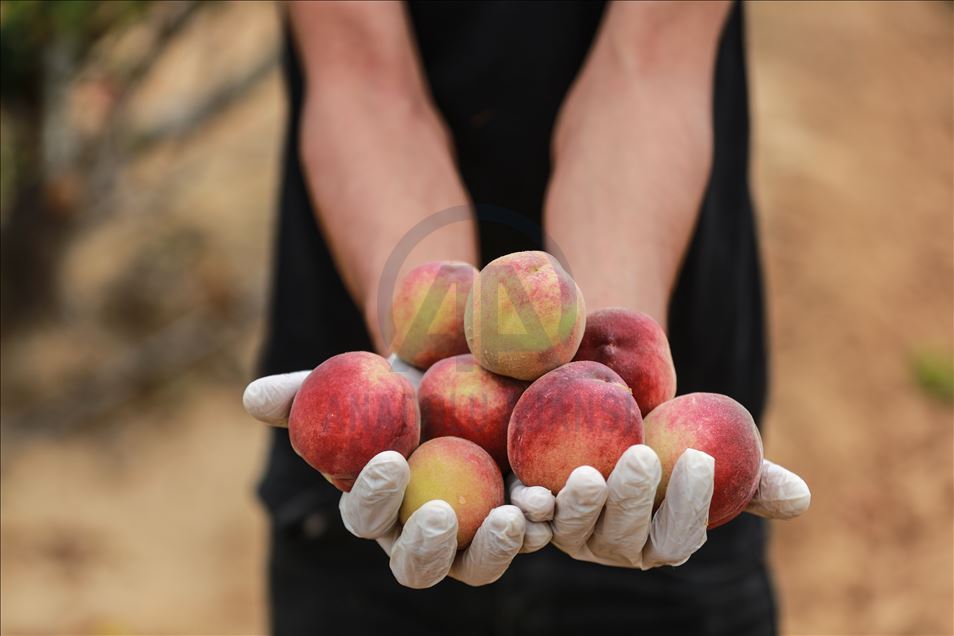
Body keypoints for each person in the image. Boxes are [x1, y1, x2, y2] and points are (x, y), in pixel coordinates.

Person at [242, 2, 811, 634]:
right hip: (383, 465)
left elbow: (647, 66)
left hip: (653, 460)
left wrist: (606, 371)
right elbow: (363, 80)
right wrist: (413, 368)